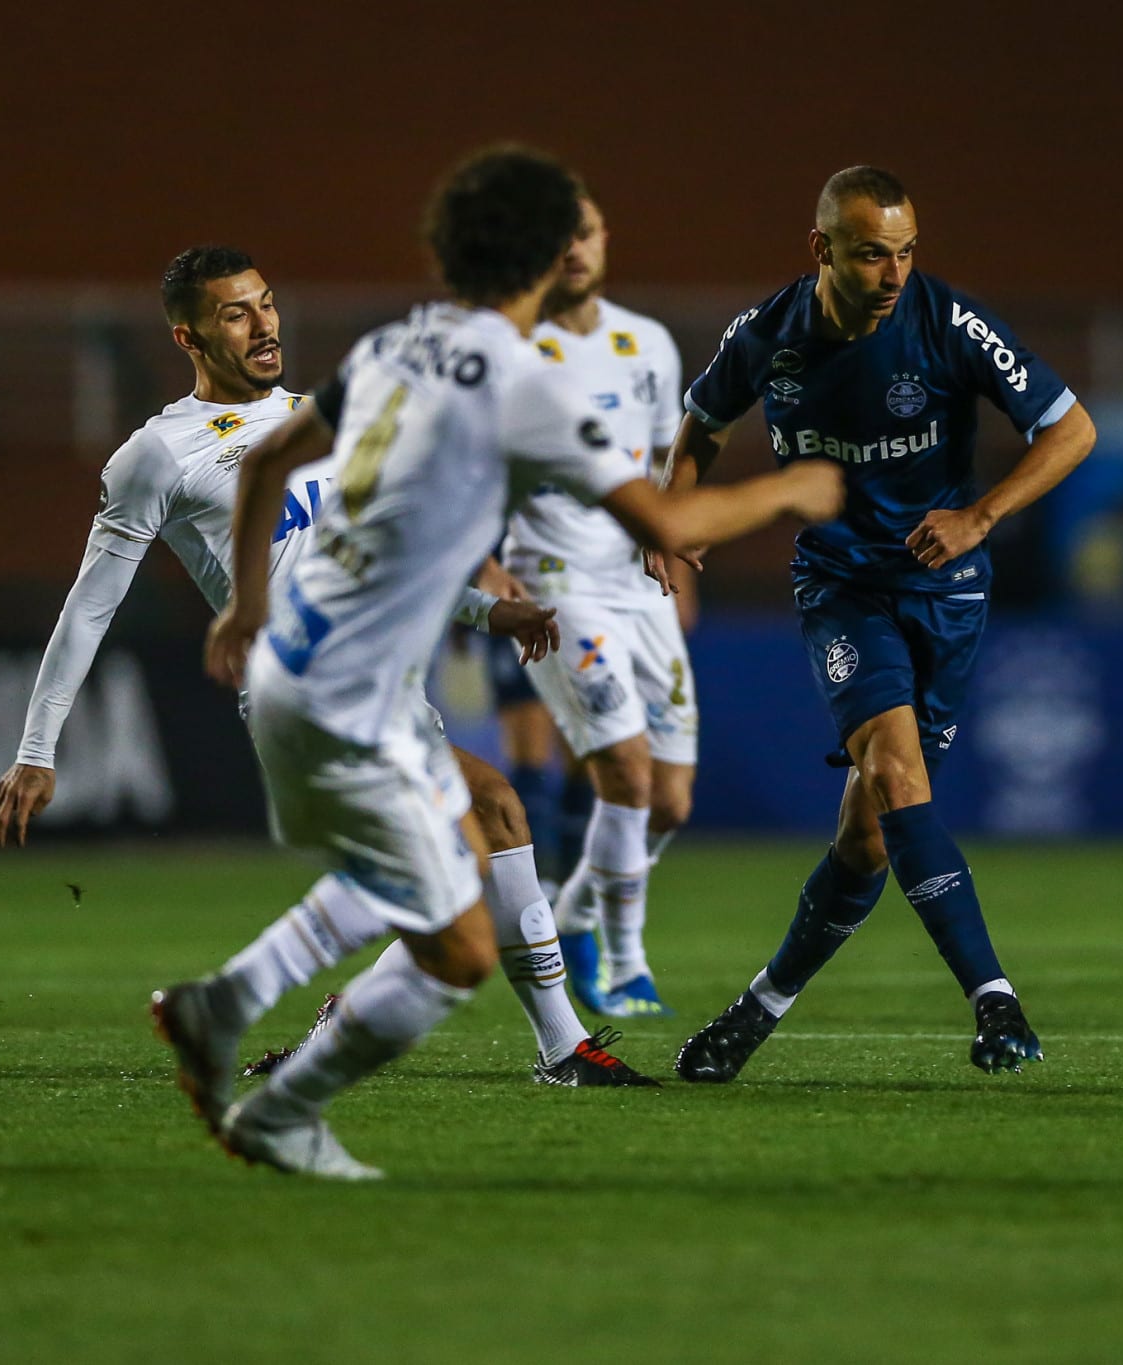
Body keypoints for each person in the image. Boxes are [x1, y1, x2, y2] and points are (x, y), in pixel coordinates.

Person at [166, 145, 841, 1177]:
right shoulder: (522, 383)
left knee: (482, 831)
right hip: (353, 693)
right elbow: (664, 517)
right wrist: (789, 495)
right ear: (536, 257)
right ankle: (264, 1082)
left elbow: (267, 460)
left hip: (309, 673)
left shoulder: (399, 343)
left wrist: (247, 607)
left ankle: (243, 1021)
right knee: (458, 945)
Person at [0, 244, 652, 1091]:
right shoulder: (156, 454)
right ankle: (556, 1048)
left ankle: (364, 1026)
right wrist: (38, 748)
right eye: (235, 313)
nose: (264, 325)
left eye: (265, 303)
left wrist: (486, 610)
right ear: (189, 337)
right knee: (477, 831)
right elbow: (89, 606)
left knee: (480, 847)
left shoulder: (319, 421)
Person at [664, 165, 1096, 1082]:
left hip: (946, 594)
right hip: (840, 589)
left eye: (905, 253)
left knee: (868, 832)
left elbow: (1071, 430)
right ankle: (996, 1000)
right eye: (872, 254)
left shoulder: (950, 325)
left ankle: (756, 1010)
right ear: (820, 249)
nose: (895, 273)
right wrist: (675, 525)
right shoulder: (768, 334)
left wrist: (979, 516)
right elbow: (700, 424)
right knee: (897, 778)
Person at [504, 187, 697, 1017]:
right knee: (625, 769)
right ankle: (624, 962)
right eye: (555, 237)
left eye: (583, 232)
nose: (572, 249)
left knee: (673, 801)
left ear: (604, 239)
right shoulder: (509, 352)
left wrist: (676, 548)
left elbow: (663, 470)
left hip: (638, 585)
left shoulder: (648, 343)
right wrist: (484, 569)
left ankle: (575, 915)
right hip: (555, 583)